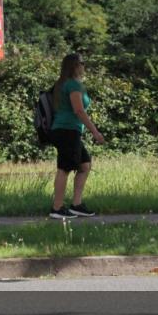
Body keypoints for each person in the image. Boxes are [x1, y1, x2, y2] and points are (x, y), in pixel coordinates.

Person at [49, 53, 105, 219]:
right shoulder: (73, 85)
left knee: (85, 165)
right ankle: (57, 208)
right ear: (74, 66)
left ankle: (76, 205)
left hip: (66, 130)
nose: (84, 66)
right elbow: (79, 110)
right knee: (65, 168)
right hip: (67, 130)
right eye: (82, 63)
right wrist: (95, 132)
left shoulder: (62, 84)